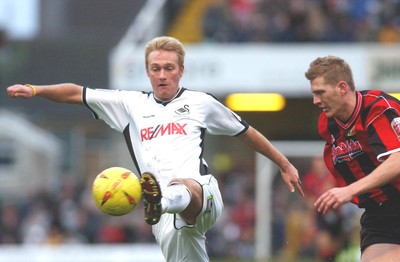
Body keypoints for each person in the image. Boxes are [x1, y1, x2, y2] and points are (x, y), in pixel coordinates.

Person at [7, 36, 304, 262]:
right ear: (148, 72)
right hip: (163, 221)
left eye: (169, 68)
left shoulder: (201, 103)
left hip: (202, 195)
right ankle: (160, 201)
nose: (163, 75)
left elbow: (245, 132)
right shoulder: (128, 105)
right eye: (156, 68)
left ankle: (160, 198)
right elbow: (76, 93)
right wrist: (36, 90)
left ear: (181, 71)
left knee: (185, 187)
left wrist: (283, 164)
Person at [305, 55, 400, 262]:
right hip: (380, 212)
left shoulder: (377, 108)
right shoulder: (328, 124)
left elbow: (398, 160)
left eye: (320, 93)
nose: (316, 101)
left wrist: (349, 190)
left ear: (341, 87)